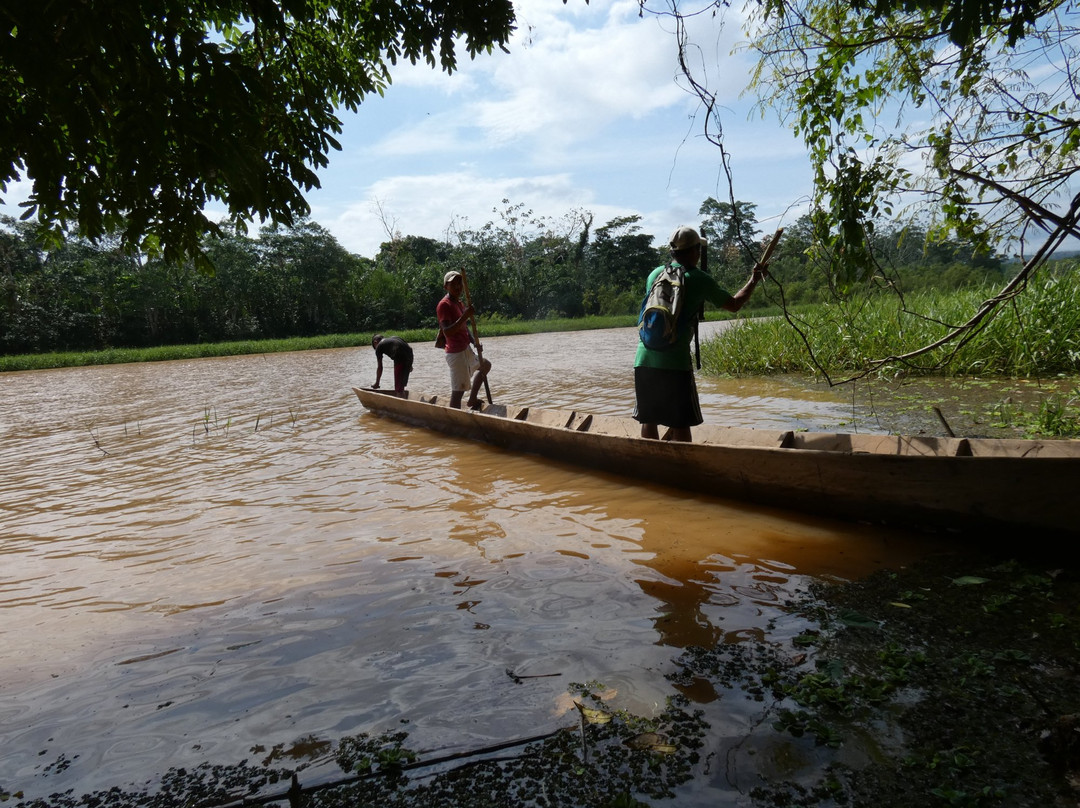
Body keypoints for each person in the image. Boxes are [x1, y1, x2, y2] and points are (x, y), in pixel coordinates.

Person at [634, 226, 769, 442]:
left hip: (644, 358)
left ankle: (649, 459)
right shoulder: (699, 279)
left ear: (672, 251)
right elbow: (734, 304)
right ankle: (682, 463)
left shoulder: (655, 274)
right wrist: (754, 280)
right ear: (695, 251)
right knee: (680, 423)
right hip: (675, 362)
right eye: (698, 249)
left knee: (648, 420)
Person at [437, 270, 492, 409]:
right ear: (446, 287)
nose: (457, 287)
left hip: (466, 349)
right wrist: (465, 316)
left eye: (459, 283)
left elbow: (464, 328)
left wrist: (474, 342)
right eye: (453, 284)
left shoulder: (459, 303)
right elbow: (447, 331)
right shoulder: (444, 305)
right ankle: (454, 419)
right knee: (458, 392)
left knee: (485, 365)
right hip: (456, 353)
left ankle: (472, 399)